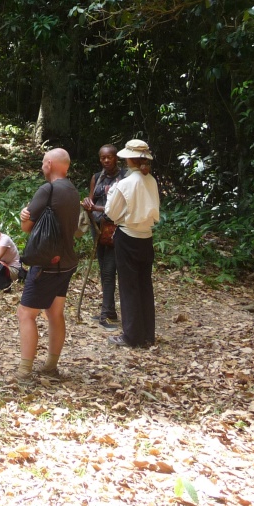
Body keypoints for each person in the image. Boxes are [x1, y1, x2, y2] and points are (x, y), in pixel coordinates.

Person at [16, 149, 81, 381]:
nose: (42, 167)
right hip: (67, 262)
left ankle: (24, 372)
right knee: (55, 313)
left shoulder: (48, 189)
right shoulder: (73, 191)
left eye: (43, 162)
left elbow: (27, 227)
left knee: (25, 314)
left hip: (47, 263)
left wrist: (24, 215)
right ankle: (51, 366)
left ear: (50, 164)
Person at [104, 140, 160, 349]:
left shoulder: (126, 183)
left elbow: (111, 213)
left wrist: (111, 192)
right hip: (146, 238)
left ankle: (131, 336)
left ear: (129, 158)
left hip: (127, 237)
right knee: (145, 285)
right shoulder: (151, 180)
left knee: (129, 287)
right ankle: (147, 335)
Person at [81, 145, 127, 328]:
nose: (106, 161)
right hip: (98, 228)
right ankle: (109, 310)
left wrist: (98, 209)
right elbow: (91, 199)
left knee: (110, 270)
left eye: (110, 157)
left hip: (116, 228)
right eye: (103, 158)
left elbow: (124, 205)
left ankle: (106, 314)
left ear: (116, 158)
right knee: (104, 269)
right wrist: (87, 204)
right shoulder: (97, 177)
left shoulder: (125, 177)